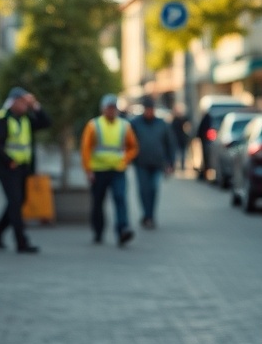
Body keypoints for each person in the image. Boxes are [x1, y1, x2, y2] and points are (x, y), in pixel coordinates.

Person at [0, 87, 51, 253]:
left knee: (19, 201)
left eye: (26, 102)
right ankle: (21, 242)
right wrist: (9, 161)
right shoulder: (2, 118)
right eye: (22, 101)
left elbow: (46, 123)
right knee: (15, 203)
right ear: (13, 101)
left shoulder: (26, 119)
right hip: (8, 169)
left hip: (23, 168)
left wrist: (35, 105)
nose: (24, 105)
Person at [81, 94, 139, 246]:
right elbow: (86, 149)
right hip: (98, 170)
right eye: (109, 107)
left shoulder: (124, 126)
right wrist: (88, 170)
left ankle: (122, 230)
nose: (112, 111)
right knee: (98, 202)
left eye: (114, 108)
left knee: (120, 199)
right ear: (103, 109)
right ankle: (98, 231)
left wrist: (125, 159)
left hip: (117, 170)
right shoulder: (94, 125)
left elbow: (133, 147)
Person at [129, 97, 177, 228]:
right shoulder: (135, 124)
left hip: (157, 163)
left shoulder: (162, 124)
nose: (149, 112)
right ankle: (146, 214)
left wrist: (171, 163)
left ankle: (150, 216)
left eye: (151, 109)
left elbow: (170, 144)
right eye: (147, 109)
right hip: (141, 163)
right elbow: (129, 142)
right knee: (144, 190)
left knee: (153, 189)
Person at [169, 103, 191, 171]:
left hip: (181, 139)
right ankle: (176, 165)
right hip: (176, 138)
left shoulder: (183, 119)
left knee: (181, 153)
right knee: (176, 153)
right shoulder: (175, 119)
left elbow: (188, 127)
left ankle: (182, 166)